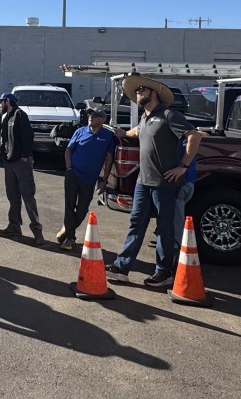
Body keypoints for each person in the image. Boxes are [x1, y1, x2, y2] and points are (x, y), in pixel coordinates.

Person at [105, 75, 204, 288]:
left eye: (142, 90)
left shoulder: (169, 115)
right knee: (136, 223)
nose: (138, 93)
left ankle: (163, 272)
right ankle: (122, 268)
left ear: (154, 93)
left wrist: (183, 167)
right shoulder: (145, 117)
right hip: (143, 182)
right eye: (137, 90)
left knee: (165, 228)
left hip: (165, 184)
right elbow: (137, 131)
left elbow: (194, 136)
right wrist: (123, 133)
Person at [59, 108, 118, 250]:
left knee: (82, 209)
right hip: (73, 173)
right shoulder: (80, 131)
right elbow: (69, 150)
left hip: (90, 178)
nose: (91, 117)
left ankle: (67, 229)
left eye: (95, 115)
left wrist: (104, 180)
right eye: (90, 114)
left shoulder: (108, 136)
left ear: (103, 120)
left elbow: (109, 159)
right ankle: (70, 238)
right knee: (69, 206)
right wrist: (68, 169)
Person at [0, 93, 43, 246]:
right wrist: (3, 158)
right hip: (9, 163)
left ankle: (37, 232)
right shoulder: (5, 117)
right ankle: (14, 226)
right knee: (12, 196)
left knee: (28, 197)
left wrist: (24, 155)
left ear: (8, 101)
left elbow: (28, 136)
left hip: (21, 162)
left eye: (1, 102)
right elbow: (3, 140)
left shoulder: (19, 114)